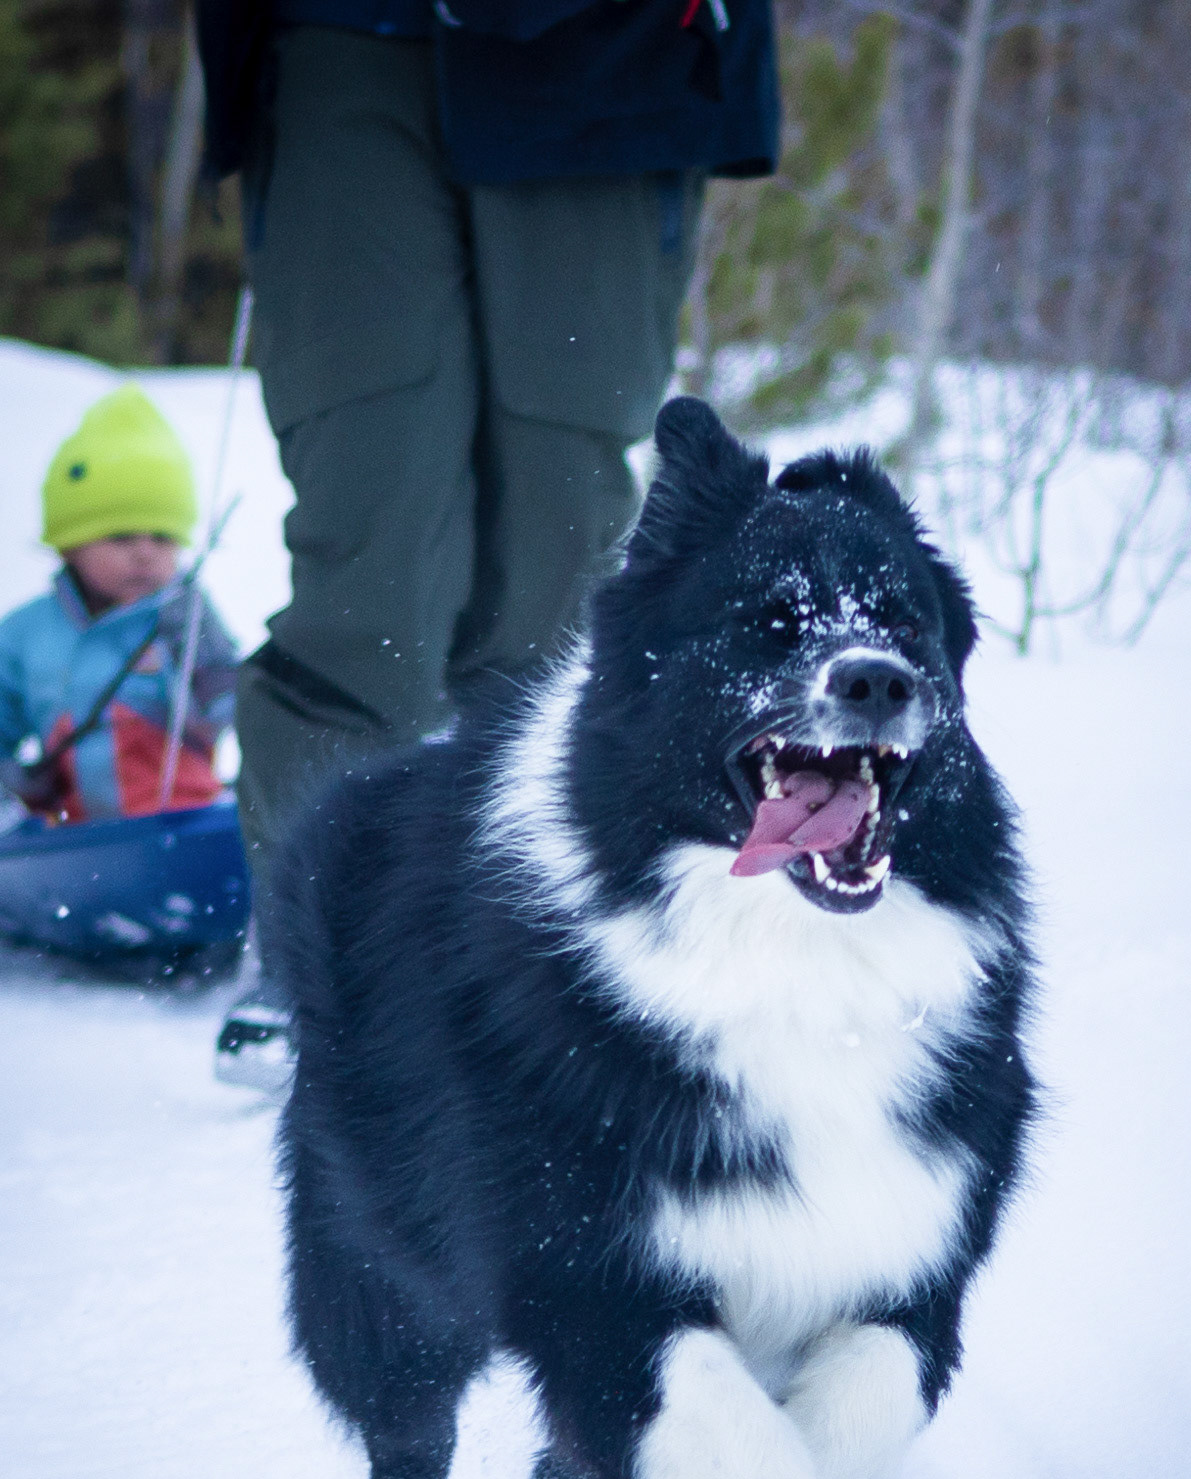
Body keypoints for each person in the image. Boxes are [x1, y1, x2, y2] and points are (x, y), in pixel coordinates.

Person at [197, 0, 779, 1088]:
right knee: (368, 555)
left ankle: (526, 942)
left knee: (551, 561)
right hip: (341, 41)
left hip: (603, 55)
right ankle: (321, 948)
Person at [0, 387, 237, 824]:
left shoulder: (187, 617)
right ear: (69, 546)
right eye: (122, 536)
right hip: (75, 847)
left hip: (191, 830)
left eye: (163, 538)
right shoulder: (24, 636)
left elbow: (225, 713)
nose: (145, 553)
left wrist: (201, 658)